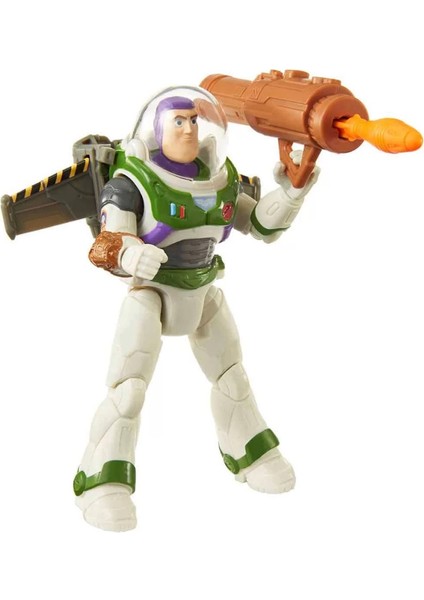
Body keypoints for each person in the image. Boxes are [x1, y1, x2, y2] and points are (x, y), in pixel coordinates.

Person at [73, 86, 319, 531]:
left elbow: (261, 225)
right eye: (178, 122)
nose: (189, 129)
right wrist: (130, 254)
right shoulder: (131, 182)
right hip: (151, 293)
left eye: (193, 120)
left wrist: (293, 191)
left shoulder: (219, 178)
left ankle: (250, 453)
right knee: (129, 390)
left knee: (233, 377)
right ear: (157, 129)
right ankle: (100, 481)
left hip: (203, 291)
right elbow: (105, 244)